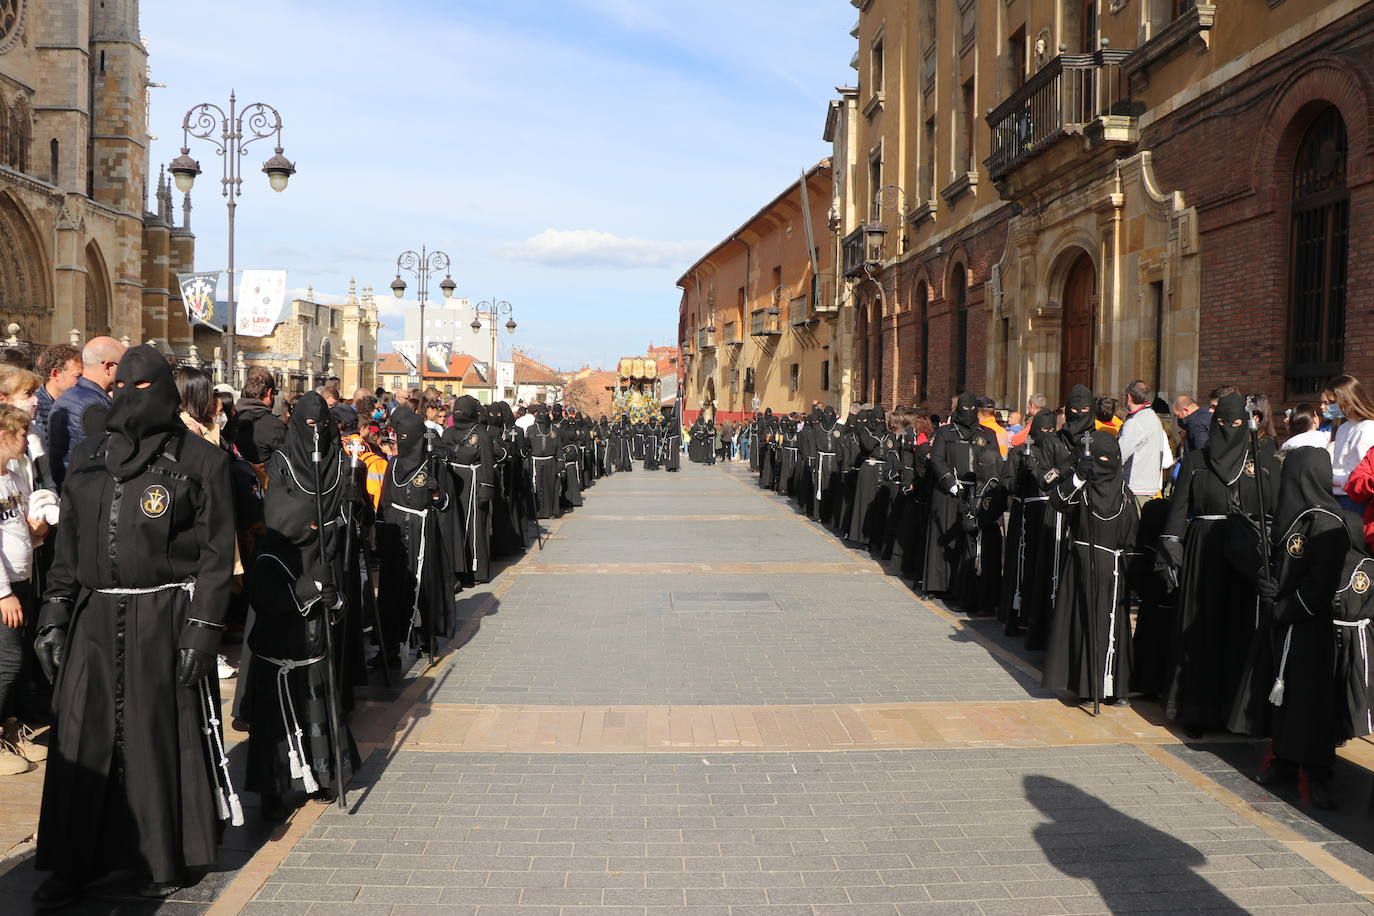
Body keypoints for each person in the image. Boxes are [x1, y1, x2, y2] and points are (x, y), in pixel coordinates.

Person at [32, 345, 236, 907]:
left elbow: (218, 557)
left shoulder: (202, 461)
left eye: (141, 387)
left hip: (163, 615)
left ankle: (157, 853)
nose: (127, 396)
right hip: (94, 616)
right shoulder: (89, 457)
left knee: (151, 736)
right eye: (120, 384)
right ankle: (73, 860)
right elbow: (70, 547)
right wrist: (54, 612)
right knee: (81, 735)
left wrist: (203, 628)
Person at [245, 392, 360, 821]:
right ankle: (277, 782)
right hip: (284, 593)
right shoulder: (279, 473)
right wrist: (306, 589)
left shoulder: (340, 464)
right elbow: (271, 590)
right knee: (278, 709)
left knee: (318, 687)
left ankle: (325, 771)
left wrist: (334, 594)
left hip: (324, 564)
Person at [1239, 447, 1361, 809]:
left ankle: (1320, 772)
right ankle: (1286, 760)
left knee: (1311, 701)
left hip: (1307, 626)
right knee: (1285, 699)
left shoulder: (1327, 524)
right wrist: (1266, 580)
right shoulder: (1290, 518)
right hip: (1282, 621)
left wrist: (1285, 608)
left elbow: (1319, 587)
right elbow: (1278, 563)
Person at [1160, 393, 1278, 735]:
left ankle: (1236, 710)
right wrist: (1171, 549)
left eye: (1237, 424)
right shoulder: (1196, 461)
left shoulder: (1262, 460)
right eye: (1222, 424)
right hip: (1204, 553)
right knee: (1202, 628)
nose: (1229, 430)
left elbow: (1275, 508)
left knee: (1241, 627)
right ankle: (1197, 708)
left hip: (1247, 554)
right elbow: (1179, 509)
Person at [1041, 430, 1139, 706]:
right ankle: (1086, 686)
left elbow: (1132, 533)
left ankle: (1115, 687)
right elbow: (1058, 502)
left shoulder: (1124, 493)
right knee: (1084, 622)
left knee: (1112, 626)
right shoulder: (1082, 489)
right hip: (1083, 563)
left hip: (1114, 569)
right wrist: (1078, 477)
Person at [0, 405, 48, 776]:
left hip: (22, 578)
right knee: (8, 662)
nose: (24, 440)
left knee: (20, 659)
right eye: (19, 434)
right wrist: (3, 593)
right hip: (4, 588)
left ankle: (11, 727)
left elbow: (26, 533)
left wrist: (38, 528)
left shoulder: (14, 479)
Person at [47, 336, 125, 491]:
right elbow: (111, 457)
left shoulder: (70, 396)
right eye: (123, 366)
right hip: (86, 492)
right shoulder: (94, 407)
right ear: (108, 367)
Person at [442, 396, 496, 585]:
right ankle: (456, 569)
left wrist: (486, 490)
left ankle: (476, 570)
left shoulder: (482, 434)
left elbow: (488, 464)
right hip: (452, 485)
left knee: (475, 527)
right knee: (454, 526)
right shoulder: (447, 434)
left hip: (474, 483)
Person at [1118, 380, 1172, 509]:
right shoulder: (1153, 417)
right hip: (1151, 486)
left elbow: (1119, 455)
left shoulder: (1136, 421)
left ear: (1129, 397)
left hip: (1135, 487)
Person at [1326, 375, 1374, 514]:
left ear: (1347, 400)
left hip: (1355, 498)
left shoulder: (1368, 428)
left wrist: (1337, 479)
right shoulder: (1343, 427)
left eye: (1332, 402)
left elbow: (1363, 471)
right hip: (1336, 495)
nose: (1329, 407)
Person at [234, 366, 287, 470]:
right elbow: (289, 460)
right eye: (274, 393)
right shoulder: (274, 426)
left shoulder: (232, 420)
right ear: (269, 393)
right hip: (268, 482)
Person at [34, 344, 82, 442]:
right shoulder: (36, 405)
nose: (82, 382)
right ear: (55, 374)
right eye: (77, 376)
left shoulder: (78, 403)